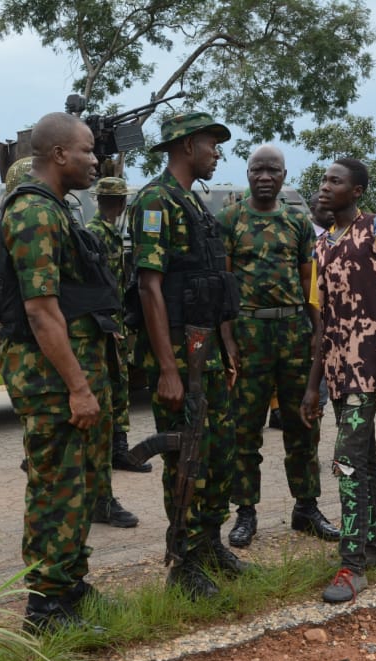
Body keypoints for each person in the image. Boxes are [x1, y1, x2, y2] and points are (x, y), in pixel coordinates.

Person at [0, 112, 117, 631]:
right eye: (88, 151)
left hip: (68, 375)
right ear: (59, 155)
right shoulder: (33, 214)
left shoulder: (57, 208)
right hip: (51, 382)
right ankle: (45, 607)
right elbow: (41, 311)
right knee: (57, 489)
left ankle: (70, 583)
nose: (97, 160)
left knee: (80, 487)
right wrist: (78, 387)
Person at [128, 111, 248, 599]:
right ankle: (183, 560)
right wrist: (168, 369)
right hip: (180, 352)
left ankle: (208, 544)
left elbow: (214, 286)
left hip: (210, 352)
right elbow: (149, 287)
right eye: (210, 143)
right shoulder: (155, 201)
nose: (217, 152)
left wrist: (229, 347)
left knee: (217, 453)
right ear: (184, 147)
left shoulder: (193, 203)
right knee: (187, 459)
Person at [300, 158, 376, 603]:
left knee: (346, 459)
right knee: (363, 458)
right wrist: (313, 386)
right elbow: (321, 323)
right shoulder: (322, 244)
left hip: (371, 366)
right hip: (336, 369)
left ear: (358, 190)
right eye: (323, 180)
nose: (324, 187)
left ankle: (352, 566)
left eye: (335, 181)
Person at [220, 145, 339, 548]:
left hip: (292, 332)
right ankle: (246, 513)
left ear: (285, 176)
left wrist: (318, 333)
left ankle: (306, 508)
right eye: (258, 169)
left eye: (273, 170)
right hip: (249, 333)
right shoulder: (230, 219)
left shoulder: (297, 221)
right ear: (248, 173)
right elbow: (225, 285)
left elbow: (311, 285)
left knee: (303, 424)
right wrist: (228, 339)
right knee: (245, 428)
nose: (265, 176)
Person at [83, 176, 144, 530]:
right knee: (112, 391)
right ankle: (113, 457)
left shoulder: (106, 232)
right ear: (118, 203)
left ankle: (118, 449)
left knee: (119, 387)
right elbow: (101, 283)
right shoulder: (96, 234)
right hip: (108, 325)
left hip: (115, 320)